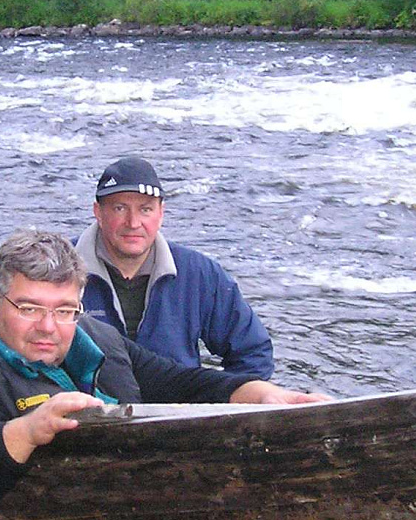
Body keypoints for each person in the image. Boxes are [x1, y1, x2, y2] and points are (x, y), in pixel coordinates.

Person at [0, 229, 328, 520]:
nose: (48, 327)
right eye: (29, 308)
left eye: (64, 310)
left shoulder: (94, 336)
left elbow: (176, 383)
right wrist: (27, 432)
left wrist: (255, 392)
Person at [76, 156, 274, 378]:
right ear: (98, 212)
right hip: (85, 408)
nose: (133, 223)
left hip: (178, 408)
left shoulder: (199, 274)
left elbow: (253, 353)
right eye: (120, 208)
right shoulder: (56, 269)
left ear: (161, 213)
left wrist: (230, 401)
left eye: (145, 210)